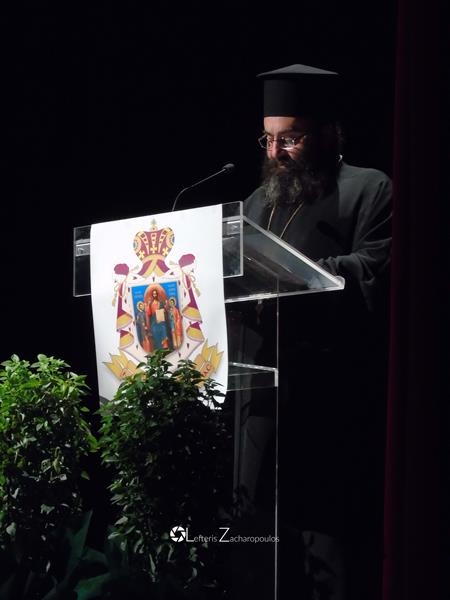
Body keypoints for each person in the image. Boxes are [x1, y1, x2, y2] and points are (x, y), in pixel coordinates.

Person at [243, 64, 392, 600]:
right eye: (269, 139)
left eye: (291, 139)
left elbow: (374, 269)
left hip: (332, 401)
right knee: (259, 550)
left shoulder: (368, 189)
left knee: (329, 557)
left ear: (329, 133)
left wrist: (296, 276)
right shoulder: (256, 205)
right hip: (262, 400)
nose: (276, 152)